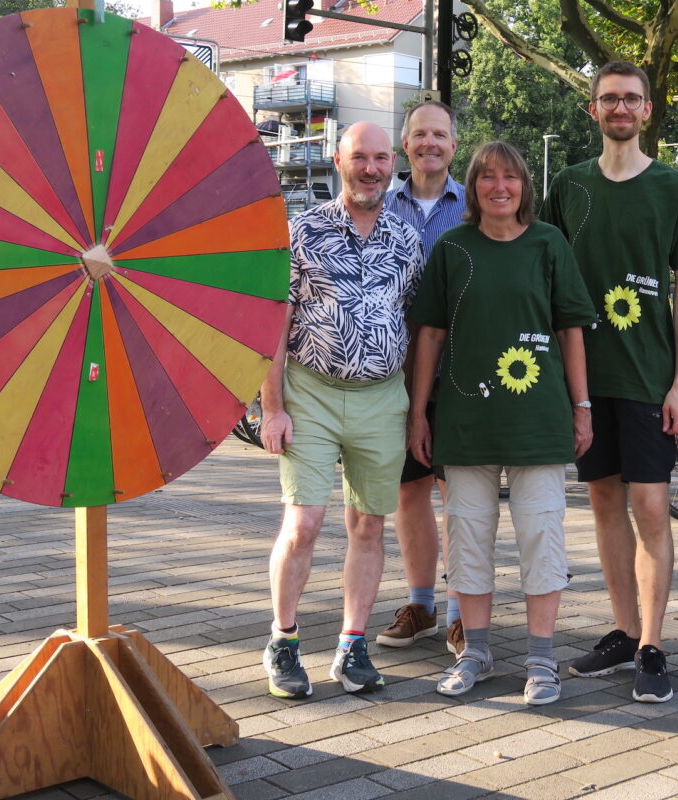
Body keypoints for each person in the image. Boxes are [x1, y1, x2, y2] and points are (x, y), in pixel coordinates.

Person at [542, 61, 678, 704]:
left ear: (647, 110)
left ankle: (653, 646)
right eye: (609, 98)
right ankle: (624, 629)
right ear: (593, 109)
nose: (620, 108)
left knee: (651, 508)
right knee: (604, 504)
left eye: (631, 99)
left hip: (648, 378)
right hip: (587, 378)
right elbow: (550, 280)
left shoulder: (673, 188)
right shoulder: (568, 185)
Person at [407, 141, 597, 705]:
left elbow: (570, 331)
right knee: (467, 538)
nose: (499, 186)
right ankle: (476, 653)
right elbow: (430, 335)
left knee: (542, 538)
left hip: (538, 421)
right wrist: (418, 414)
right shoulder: (453, 247)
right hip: (465, 423)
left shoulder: (549, 243)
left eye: (510, 177)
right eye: (487, 176)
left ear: (524, 186)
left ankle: (541, 660)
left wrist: (583, 407)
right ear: (472, 187)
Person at [260, 122, 423, 699]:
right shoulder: (302, 231)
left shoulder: (407, 240)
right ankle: (283, 640)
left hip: (382, 399)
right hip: (311, 393)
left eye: (380, 158)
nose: (370, 169)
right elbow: (273, 323)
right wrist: (272, 407)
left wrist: (414, 408)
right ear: (338, 161)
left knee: (369, 525)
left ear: (392, 164)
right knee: (304, 523)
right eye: (360, 158)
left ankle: (352, 646)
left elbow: (413, 323)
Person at [377, 100, 467, 656]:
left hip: (460, 370)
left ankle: (461, 612)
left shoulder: (476, 206)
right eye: (419, 134)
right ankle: (422, 606)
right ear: (404, 144)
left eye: (439, 134)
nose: (429, 143)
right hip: (397, 371)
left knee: (459, 493)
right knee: (408, 491)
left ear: (454, 144)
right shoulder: (380, 207)